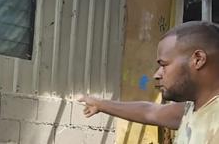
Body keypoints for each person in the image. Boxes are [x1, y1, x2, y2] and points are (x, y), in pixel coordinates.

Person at [78, 21, 219, 144]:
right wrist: (100, 104)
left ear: (198, 59)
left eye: (164, 65)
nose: (157, 75)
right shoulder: (193, 109)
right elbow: (149, 112)